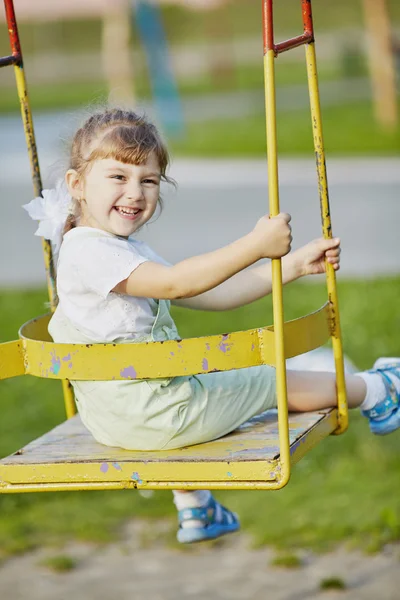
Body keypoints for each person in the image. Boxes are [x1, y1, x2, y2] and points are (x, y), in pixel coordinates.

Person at [24, 108, 399, 544]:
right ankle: (378, 390)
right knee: (268, 379)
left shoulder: (106, 249)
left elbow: (212, 295)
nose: (135, 192)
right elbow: (179, 284)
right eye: (118, 177)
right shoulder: (94, 254)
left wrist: (291, 267)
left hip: (115, 416)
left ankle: (196, 506)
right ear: (77, 185)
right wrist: (254, 246)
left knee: (199, 381)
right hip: (157, 413)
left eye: (148, 180)